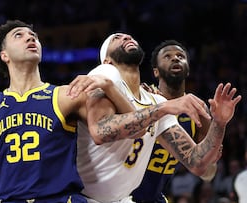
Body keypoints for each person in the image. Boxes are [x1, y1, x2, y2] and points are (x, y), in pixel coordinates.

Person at [0, 20, 213, 202]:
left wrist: (151, 104)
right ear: (4, 55)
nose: (31, 38)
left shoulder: (67, 93)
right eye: (20, 35)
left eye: (34, 36)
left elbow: (121, 128)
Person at [69, 33, 241, 203]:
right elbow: (101, 131)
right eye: (116, 38)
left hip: (124, 198)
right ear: (107, 60)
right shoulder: (106, 74)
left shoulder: (155, 100)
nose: (127, 38)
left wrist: (219, 123)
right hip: (86, 198)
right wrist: (163, 108)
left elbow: (197, 163)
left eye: (129, 37)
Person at [131, 40, 219, 203]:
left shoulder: (198, 111)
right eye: (167, 56)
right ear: (156, 72)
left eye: (180, 56)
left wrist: (218, 127)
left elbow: (208, 174)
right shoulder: (142, 97)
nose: (175, 59)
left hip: (155, 197)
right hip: (122, 196)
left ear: (187, 70)